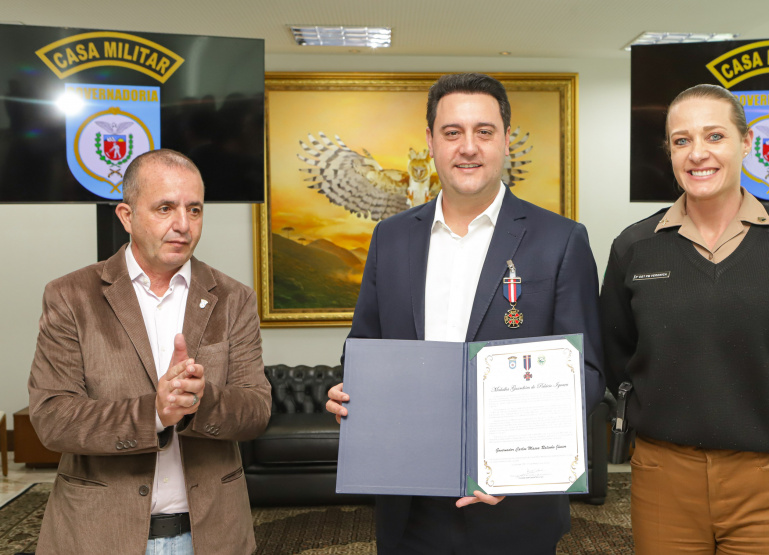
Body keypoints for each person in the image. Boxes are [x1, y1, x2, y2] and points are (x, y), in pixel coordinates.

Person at [325, 72, 605, 555]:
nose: (468, 147)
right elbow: (363, 346)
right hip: (408, 505)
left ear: (506, 141)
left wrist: (518, 465)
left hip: (514, 508)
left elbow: (587, 372)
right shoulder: (390, 238)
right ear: (430, 141)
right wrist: (348, 391)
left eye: (484, 131)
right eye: (452, 132)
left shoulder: (561, 240)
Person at [599, 84, 769, 554]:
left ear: (747, 141)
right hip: (663, 475)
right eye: (682, 140)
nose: (698, 153)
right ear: (670, 152)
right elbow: (616, 354)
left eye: (714, 136)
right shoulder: (634, 248)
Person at [28, 149, 271, 554]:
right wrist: (156, 413)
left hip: (213, 535)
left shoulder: (234, 298)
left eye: (194, 210)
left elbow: (256, 410)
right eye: (165, 208)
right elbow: (53, 418)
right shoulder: (70, 296)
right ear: (127, 216)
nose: (183, 225)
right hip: (97, 535)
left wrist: (198, 402)